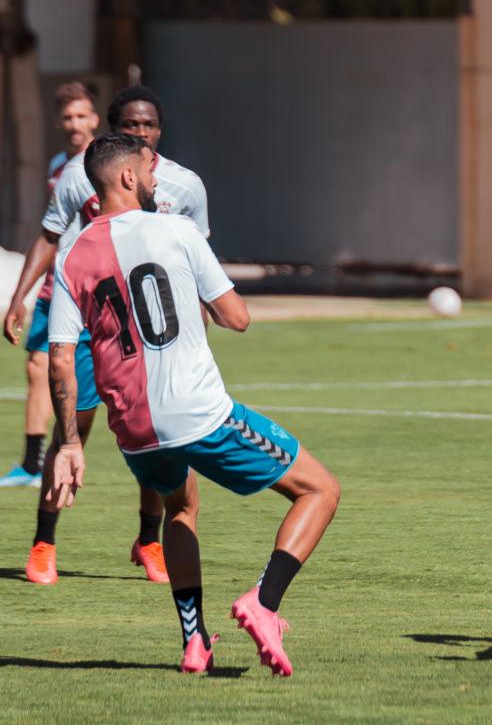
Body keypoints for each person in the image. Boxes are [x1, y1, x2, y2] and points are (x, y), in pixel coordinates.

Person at [46, 133, 340, 675]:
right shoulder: (176, 230)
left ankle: (195, 641)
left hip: (133, 430)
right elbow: (237, 317)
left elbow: (61, 358)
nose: (158, 179)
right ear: (129, 178)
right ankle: (264, 602)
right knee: (320, 490)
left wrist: (68, 443)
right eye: (150, 170)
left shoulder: (69, 256)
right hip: (198, 414)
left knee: (181, 507)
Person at [7, 85, 211, 585]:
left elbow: (199, 254)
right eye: (130, 125)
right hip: (86, 319)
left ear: (159, 131)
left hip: (146, 331)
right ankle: (44, 543)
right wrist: (20, 293)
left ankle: (149, 542)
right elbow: (51, 234)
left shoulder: (185, 187)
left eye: (148, 126)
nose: (139, 133)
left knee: (155, 435)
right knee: (71, 429)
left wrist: (200, 311)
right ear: (113, 128)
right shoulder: (81, 175)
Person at [0, 82, 99, 488]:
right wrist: (22, 293)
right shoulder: (59, 164)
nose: (75, 123)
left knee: (100, 376)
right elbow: (52, 230)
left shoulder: (105, 163)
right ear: (59, 121)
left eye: (82, 115)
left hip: (93, 287)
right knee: (36, 365)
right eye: (68, 117)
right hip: (55, 283)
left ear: (95, 118)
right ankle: (30, 462)